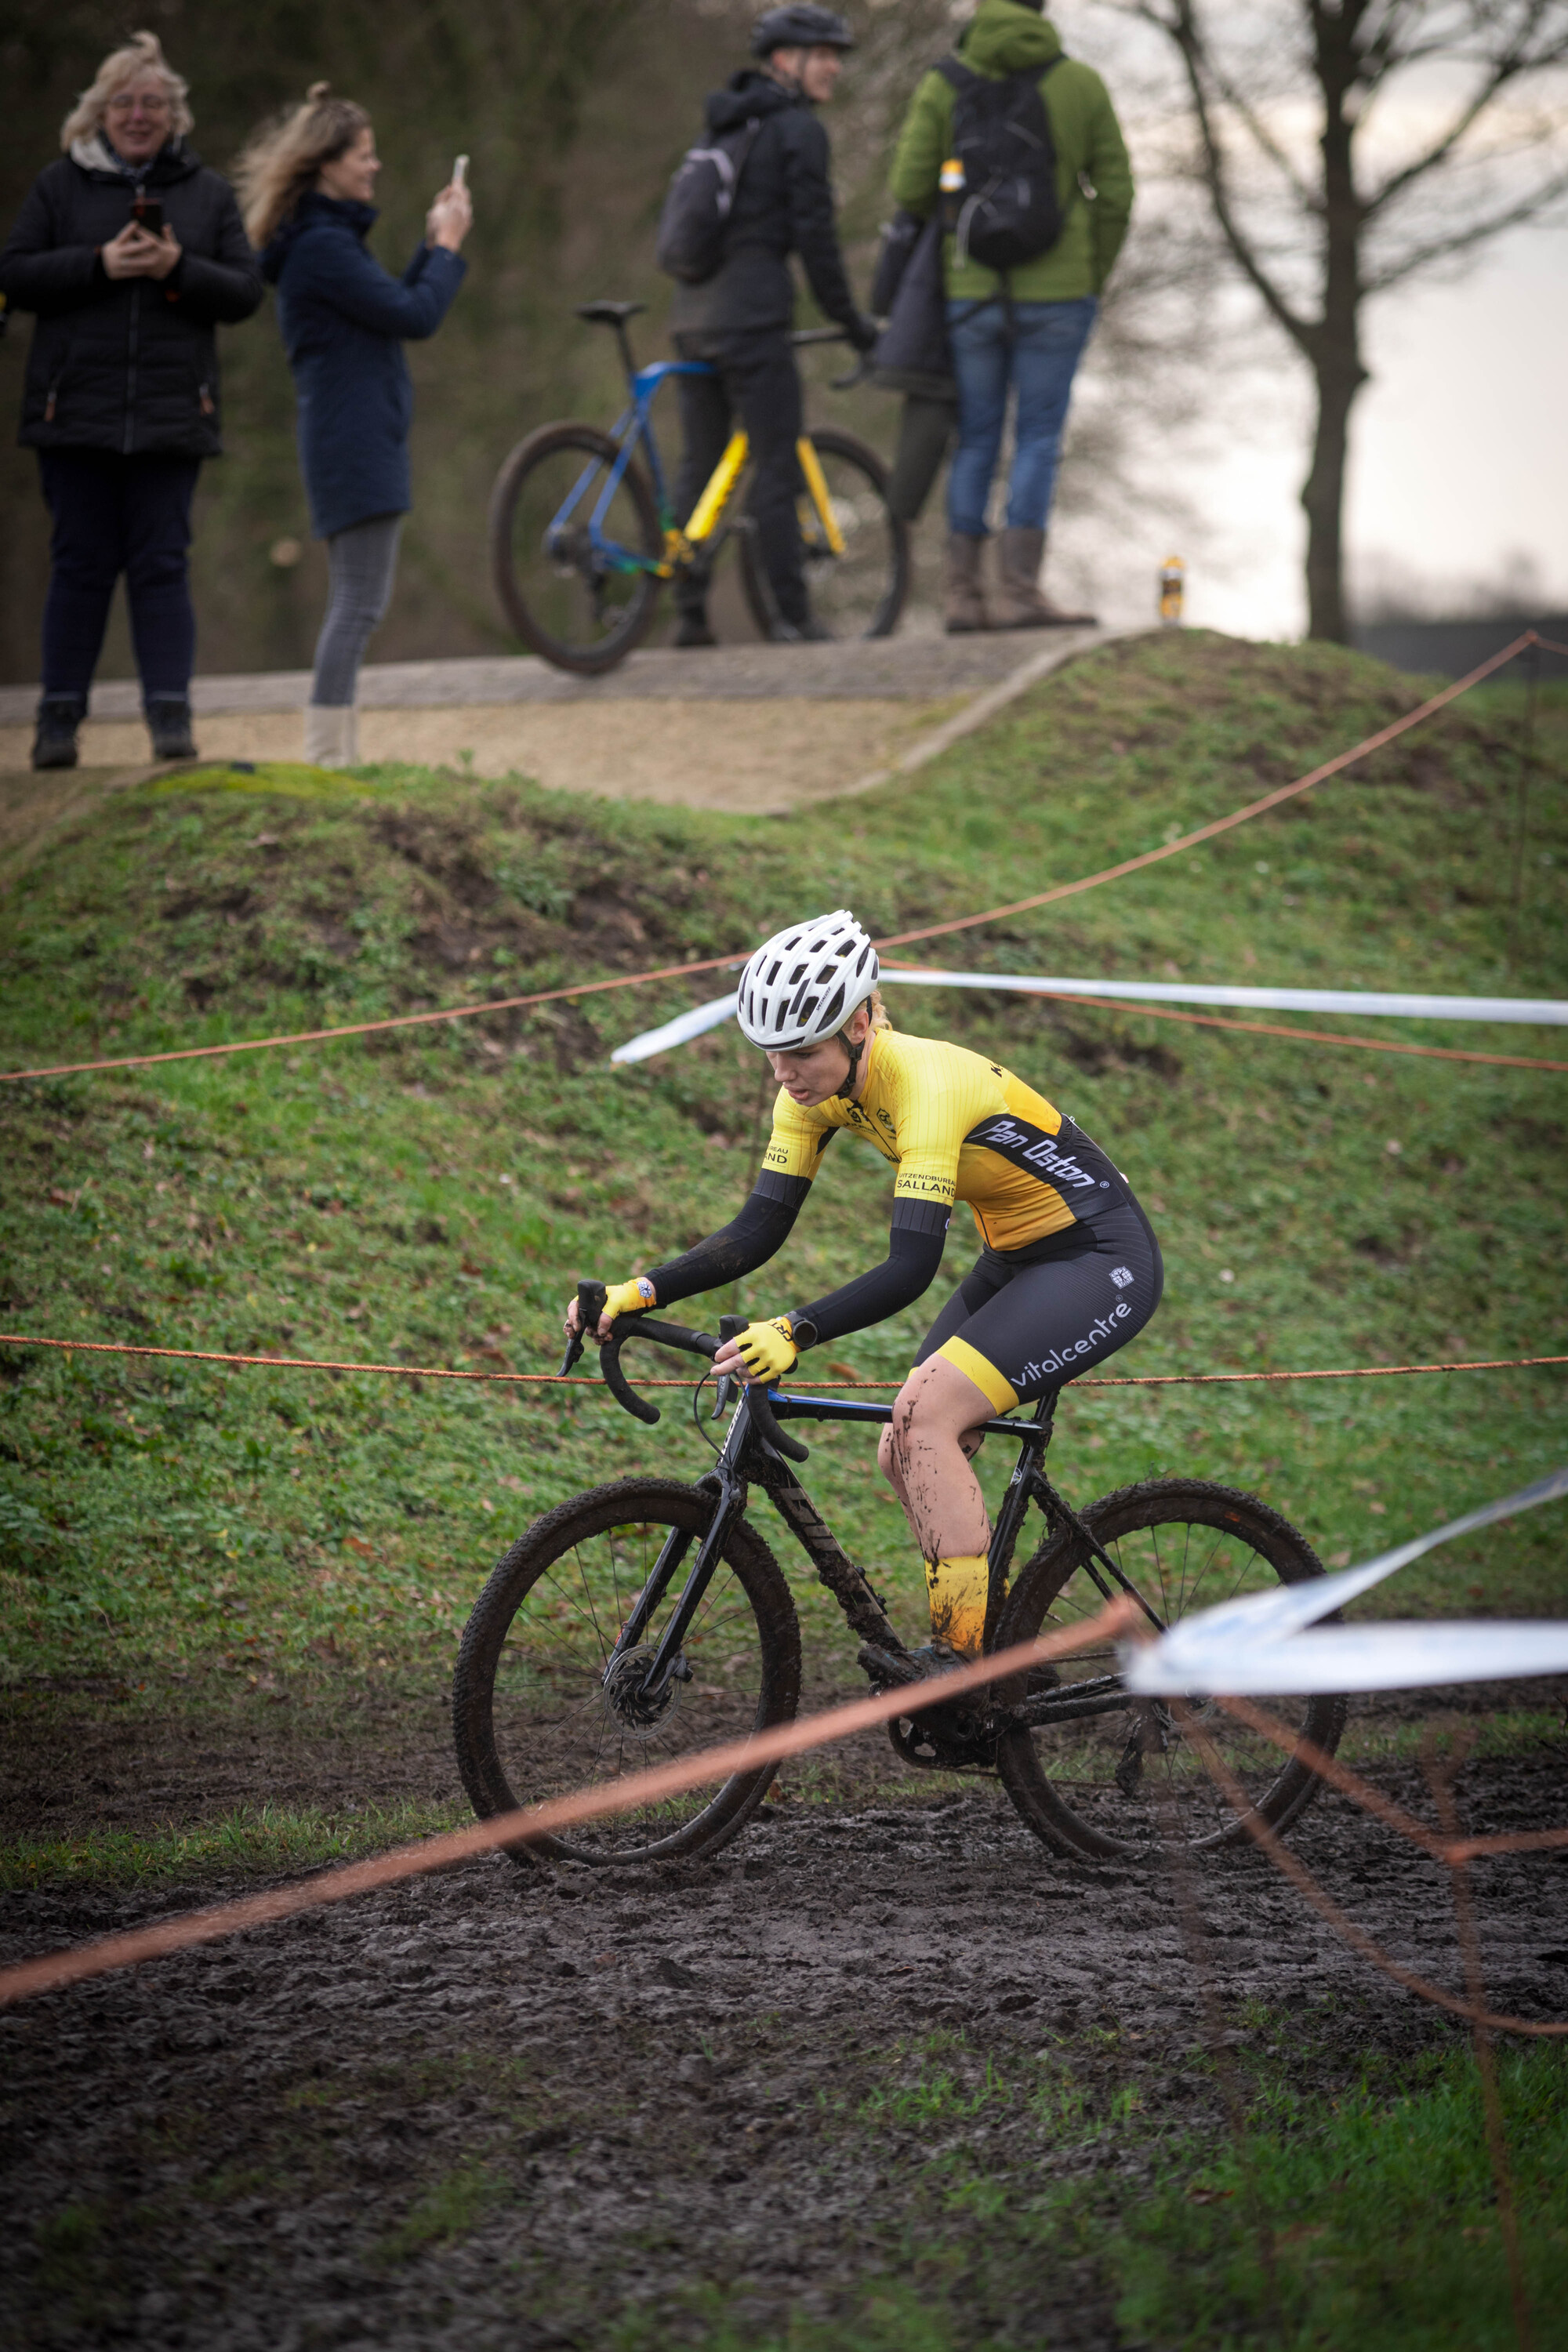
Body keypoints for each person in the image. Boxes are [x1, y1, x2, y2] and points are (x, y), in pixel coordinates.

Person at [565, 910, 1162, 1670]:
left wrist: (795, 1329)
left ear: (857, 1026)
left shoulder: (927, 1087)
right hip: (1015, 1251)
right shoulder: (810, 1091)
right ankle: (999, 1643)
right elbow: (757, 1229)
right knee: (899, 1447)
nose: (783, 1074)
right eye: (769, 1055)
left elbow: (909, 1268)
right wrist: (641, 1291)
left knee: (923, 1418)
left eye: (800, 1053)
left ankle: (966, 1655)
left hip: (1096, 1255)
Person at [0, 31, 263, 771]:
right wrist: (100, 264)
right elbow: (14, 275)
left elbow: (245, 291)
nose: (139, 116)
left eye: (153, 103)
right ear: (98, 114)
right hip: (72, 412)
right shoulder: (59, 187)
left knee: (162, 566)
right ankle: (57, 725)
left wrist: (179, 266)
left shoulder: (208, 195)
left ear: (175, 114)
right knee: (79, 566)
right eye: (124, 103)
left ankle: (170, 720)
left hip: (174, 415)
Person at [238, 88, 470, 769]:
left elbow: (395, 307)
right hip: (353, 443)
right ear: (325, 164)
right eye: (363, 157)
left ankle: (335, 755)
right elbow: (417, 317)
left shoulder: (327, 245)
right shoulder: (321, 249)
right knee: (360, 604)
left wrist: (433, 246)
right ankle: (328, 758)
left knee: (357, 601)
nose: (375, 168)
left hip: (355, 439)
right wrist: (450, 247)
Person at [888, 0, 1132, 634]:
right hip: (1059, 291)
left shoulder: (944, 82)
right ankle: (1021, 590)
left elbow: (911, 188)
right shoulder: (1080, 84)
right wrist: (1089, 269)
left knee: (974, 437)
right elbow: (1117, 189)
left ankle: (963, 596)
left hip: (971, 288)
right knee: (1038, 436)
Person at [666, 5, 877, 648]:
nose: (835, 67)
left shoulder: (722, 127)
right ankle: (791, 617)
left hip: (692, 315)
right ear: (786, 60)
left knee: (700, 463)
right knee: (777, 463)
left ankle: (689, 616)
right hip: (753, 319)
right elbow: (816, 240)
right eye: (824, 55)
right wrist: (851, 320)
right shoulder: (796, 130)